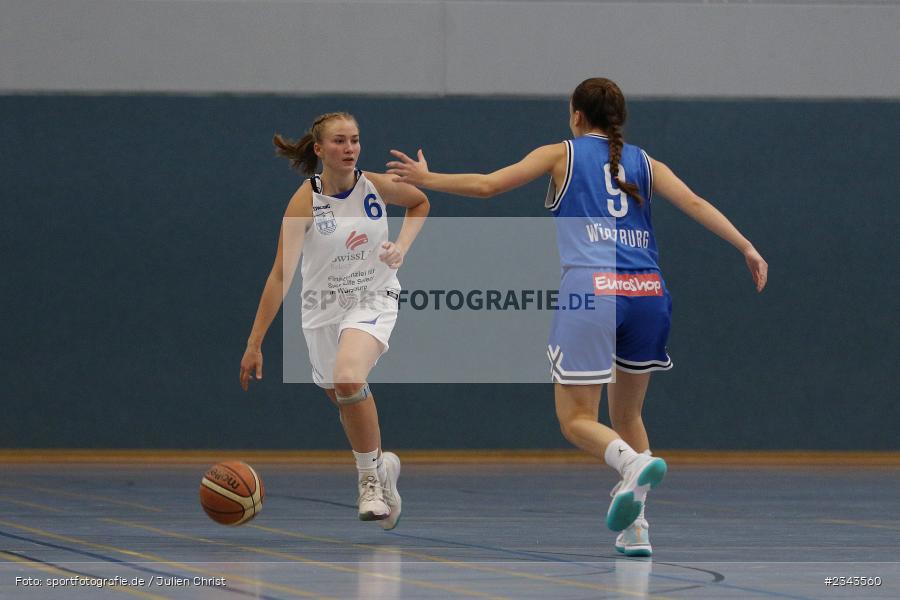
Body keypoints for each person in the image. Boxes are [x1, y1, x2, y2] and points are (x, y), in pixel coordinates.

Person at [386, 78, 767, 555]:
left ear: (576, 116)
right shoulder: (646, 162)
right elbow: (694, 203)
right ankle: (637, 529)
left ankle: (629, 466)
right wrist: (746, 246)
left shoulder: (559, 154)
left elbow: (488, 186)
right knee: (627, 413)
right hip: (648, 290)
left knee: (575, 419)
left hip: (593, 289)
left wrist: (427, 179)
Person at [241, 112, 429, 531]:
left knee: (347, 378)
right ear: (319, 149)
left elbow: (420, 201)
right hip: (321, 310)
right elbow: (279, 274)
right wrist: (256, 341)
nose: (349, 149)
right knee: (344, 397)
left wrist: (401, 246)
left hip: (373, 296)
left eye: (355, 140)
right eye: (340, 141)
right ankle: (383, 471)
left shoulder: (374, 185)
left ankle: (367, 482)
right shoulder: (305, 200)